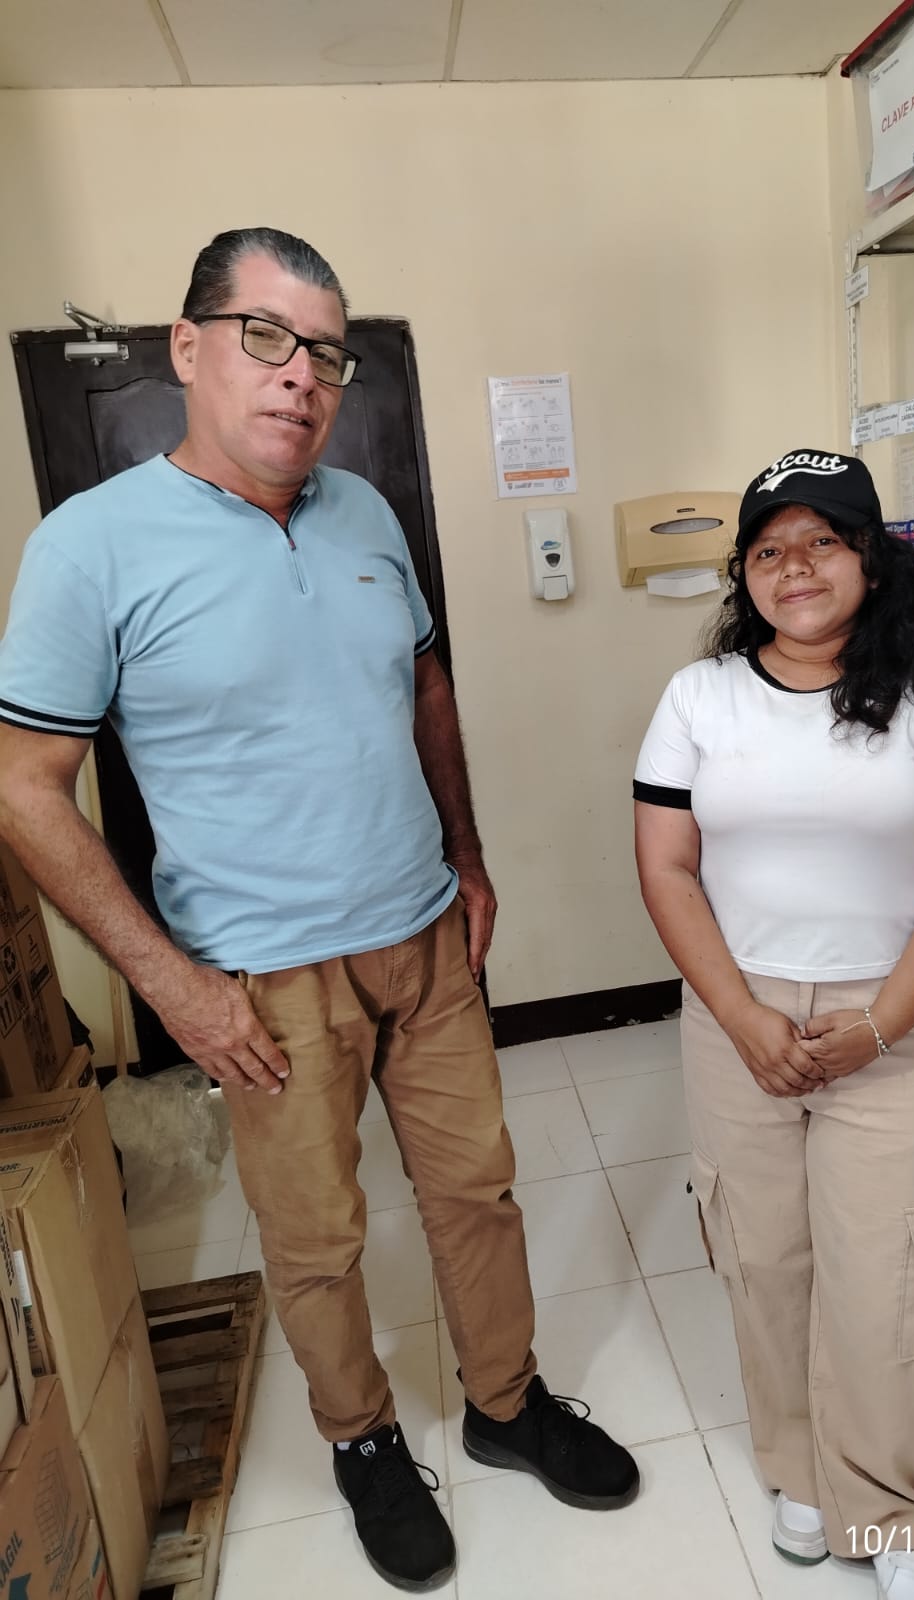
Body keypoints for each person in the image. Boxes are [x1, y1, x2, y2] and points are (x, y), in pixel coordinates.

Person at [0, 227, 637, 1593]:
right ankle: (362, 1441)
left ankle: (506, 1401)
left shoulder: (365, 514)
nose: (301, 376)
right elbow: (24, 788)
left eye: (329, 355)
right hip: (264, 984)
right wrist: (172, 986)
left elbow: (426, 684)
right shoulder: (89, 547)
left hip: (425, 940)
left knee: (476, 1191)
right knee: (317, 1241)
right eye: (268, 338)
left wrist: (468, 856)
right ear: (189, 349)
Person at [633, 448, 914, 1600]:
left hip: (893, 1017)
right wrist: (741, 1014)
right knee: (766, 1255)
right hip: (737, 1016)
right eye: (768, 549)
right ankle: (801, 1469)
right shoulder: (699, 698)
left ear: (870, 560)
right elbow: (667, 866)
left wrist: (881, 1023)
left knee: (890, 1267)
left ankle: (892, 1506)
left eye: (822, 542)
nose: (794, 566)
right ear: (745, 574)